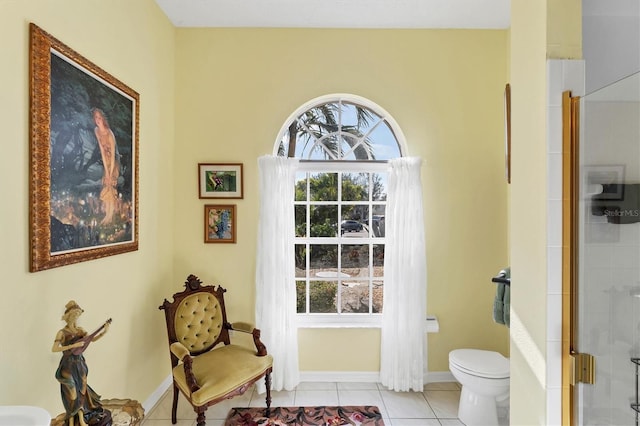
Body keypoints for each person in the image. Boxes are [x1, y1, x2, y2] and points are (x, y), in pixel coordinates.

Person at [52, 301, 110, 426]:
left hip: (79, 364)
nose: (75, 318)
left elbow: (91, 339)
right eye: (73, 315)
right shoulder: (62, 333)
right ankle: (71, 419)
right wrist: (73, 345)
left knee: (81, 392)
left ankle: (81, 419)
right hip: (67, 365)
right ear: (68, 316)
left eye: (77, 315)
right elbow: (54, 348)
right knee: (72, 394)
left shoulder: (80, 330)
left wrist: (104, 331)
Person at [92, 108, 119, 225]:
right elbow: (102, 152)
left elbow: (113, 156)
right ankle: (107, 216)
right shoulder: (96, 131)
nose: (97, 120)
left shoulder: (110, 134)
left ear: (103, 118)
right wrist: (106, 172)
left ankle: (110, 215)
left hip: (113, 163)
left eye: (99, 117)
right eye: (95, 118)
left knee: (110, 187)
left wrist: (110, 172)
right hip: (106, 163)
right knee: (106, 186)